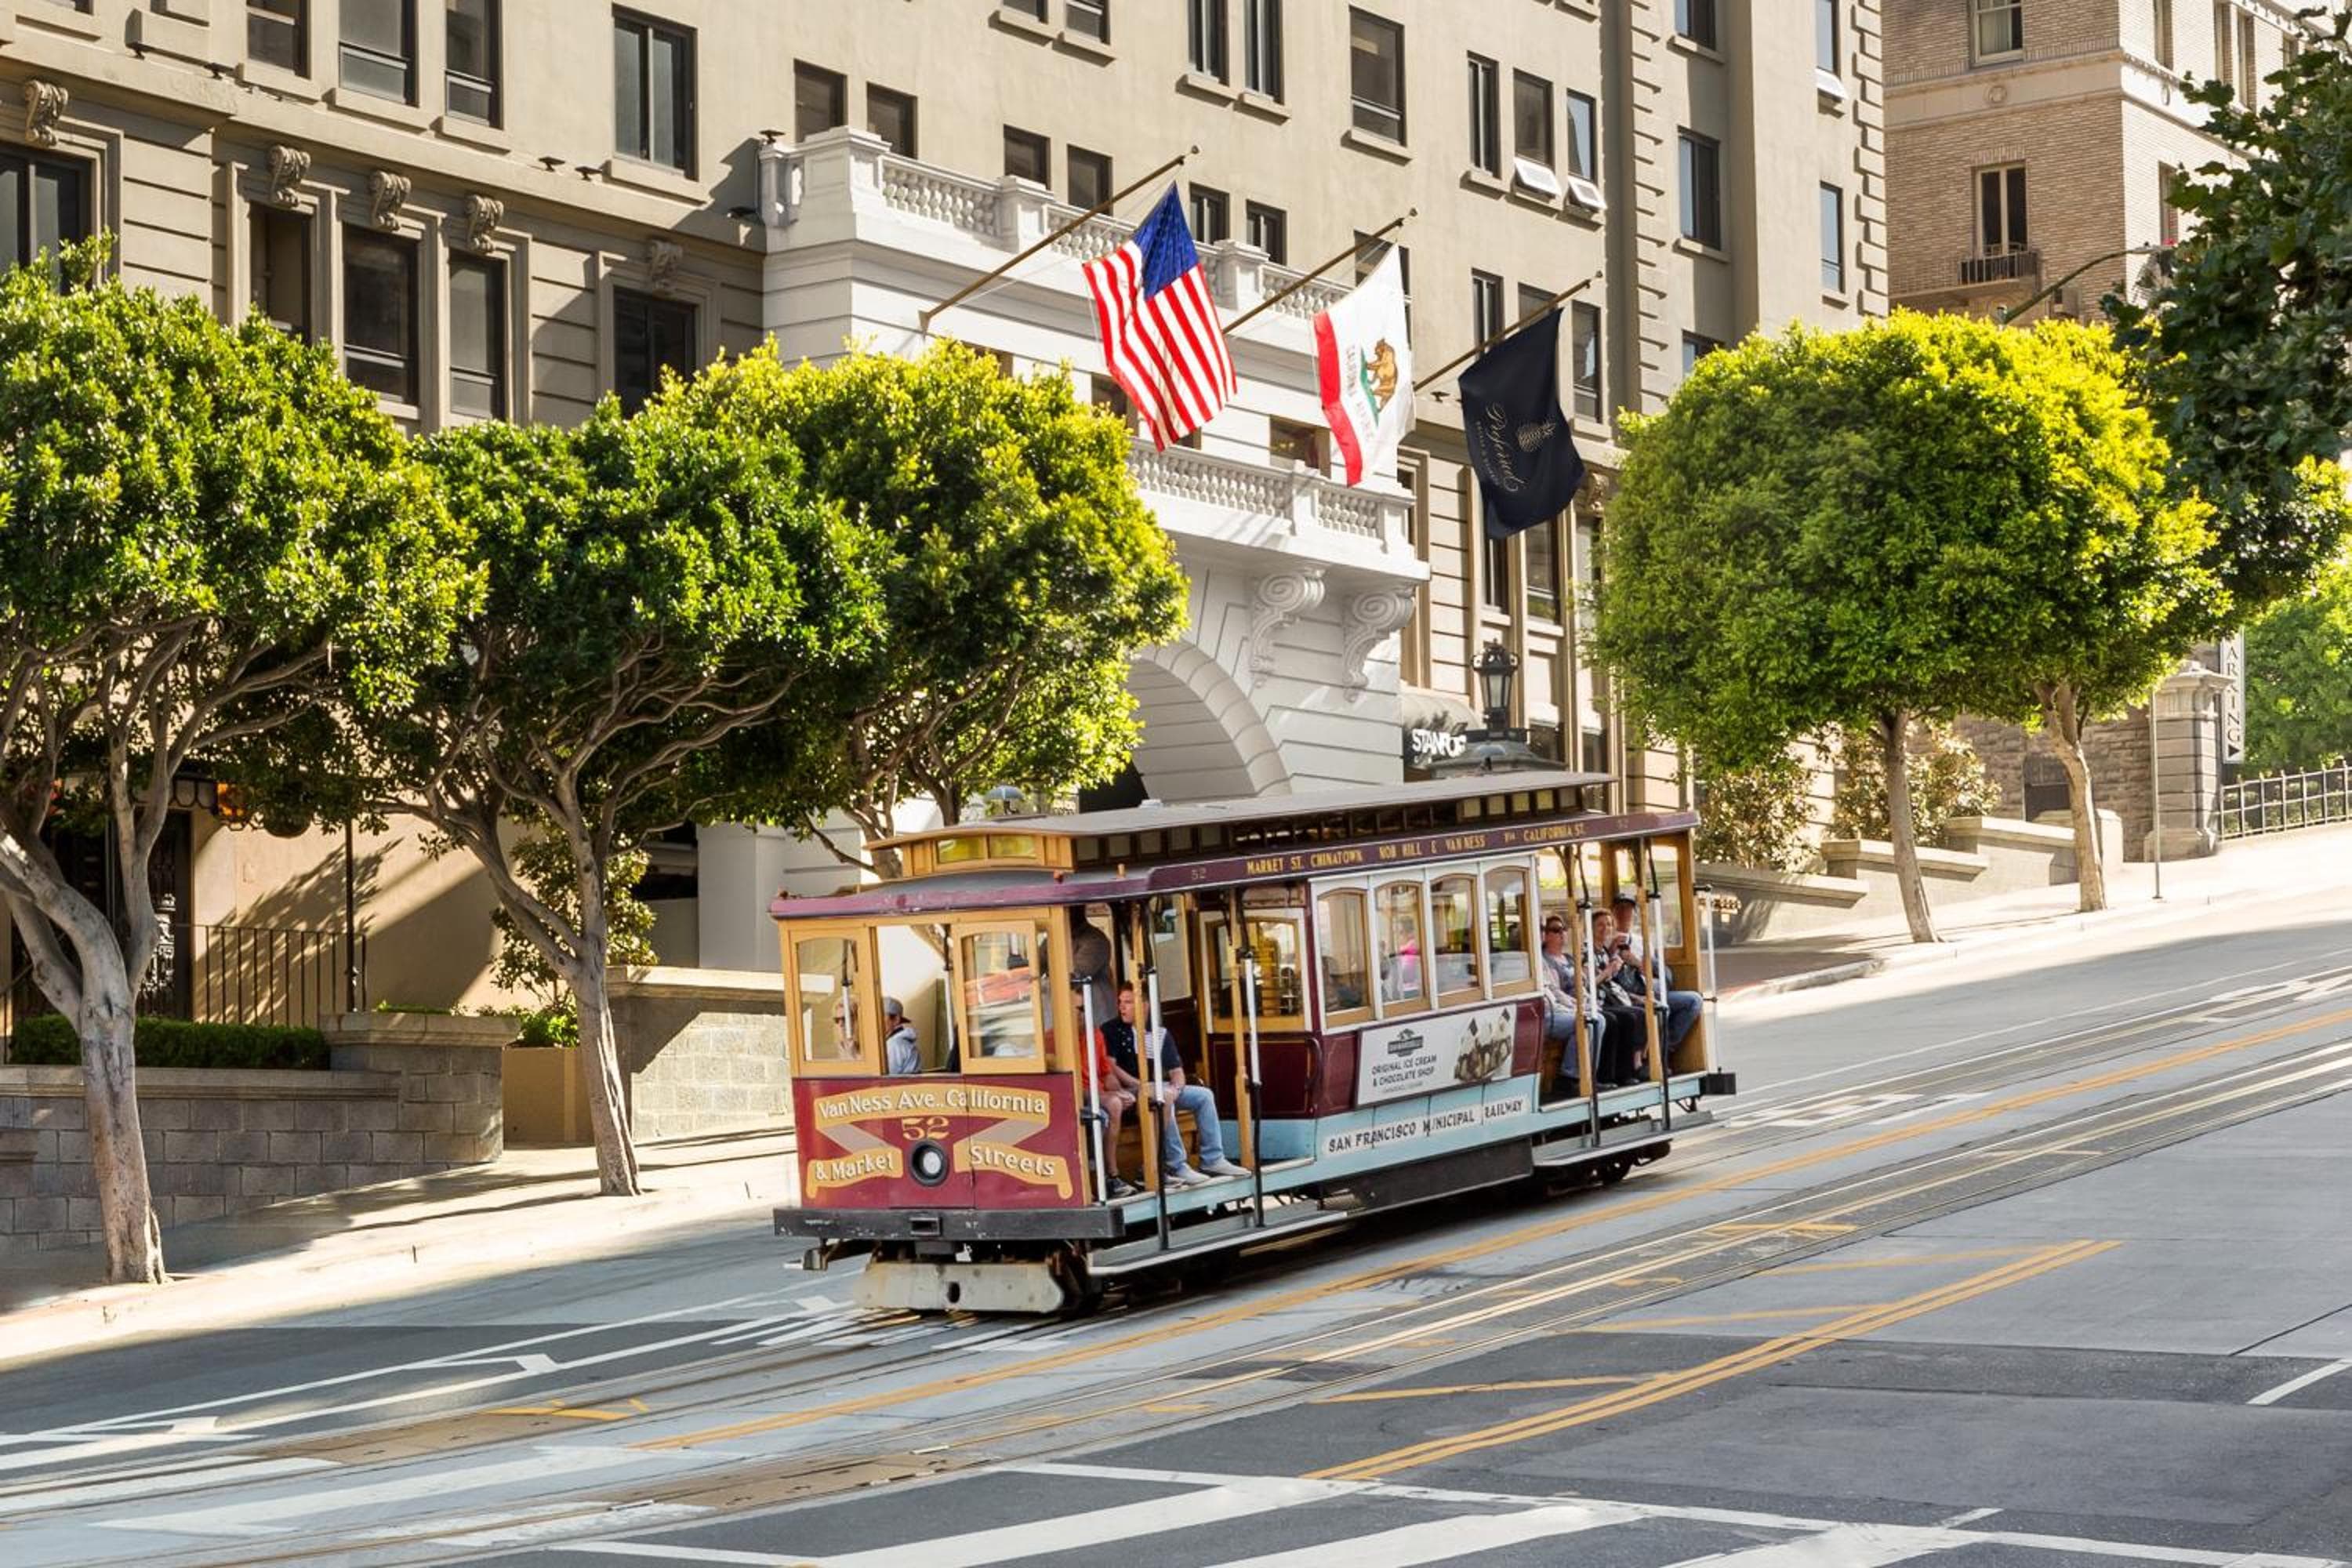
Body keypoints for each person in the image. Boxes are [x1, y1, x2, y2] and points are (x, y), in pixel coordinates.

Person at [1098, 982, 1248, 1186]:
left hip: (1159, 1086)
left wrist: (1176, 1089)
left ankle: (1213, 1159)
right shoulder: (1111, 1030)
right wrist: (1142, 1084)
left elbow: (1177, 1071)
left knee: (1204, 1096)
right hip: (1130, 1088)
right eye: (1120, 1003)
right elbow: (1111, 1067)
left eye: (1128, 1002)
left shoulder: (1159, 1032)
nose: (1122, 1007)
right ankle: (1176, 1164)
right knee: (1163, 1095)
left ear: (1144, 1006)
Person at [1611, 892, 1703, 1054]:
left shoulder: (1642, 940)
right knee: (1660, 1009)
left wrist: (1636, 962)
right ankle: (1651, 1055)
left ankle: (1664, 1049)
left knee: (1694, 1001)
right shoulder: (1608, 939)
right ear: (1613, 912)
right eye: (1620, 909)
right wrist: (1613, 950)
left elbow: (1654, 971)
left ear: (1634, 913)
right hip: (1626, 994)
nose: (1624, 914)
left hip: (1650, 989)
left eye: (1629, 909)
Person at [1588, 908, 1651, 1086]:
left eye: (1608, 924)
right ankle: (1612, 1075)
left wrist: (1634, 996)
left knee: (1642, 1011)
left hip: (1613, 999)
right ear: (1591, 928)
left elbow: (1614, 986)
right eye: (1600, 925)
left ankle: (1632, 1068)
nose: (1605, 928)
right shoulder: (1586, 951)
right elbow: (1588, 984)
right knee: (1622, 1019)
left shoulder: (1604, 952)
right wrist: (1609, 970)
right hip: (1598, 1002)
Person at [883, 997, 920, 1076]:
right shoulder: (898, 1042)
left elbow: (887, 1079)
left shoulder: (894, 1045)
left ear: (896, 1019)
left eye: (882, 1016)